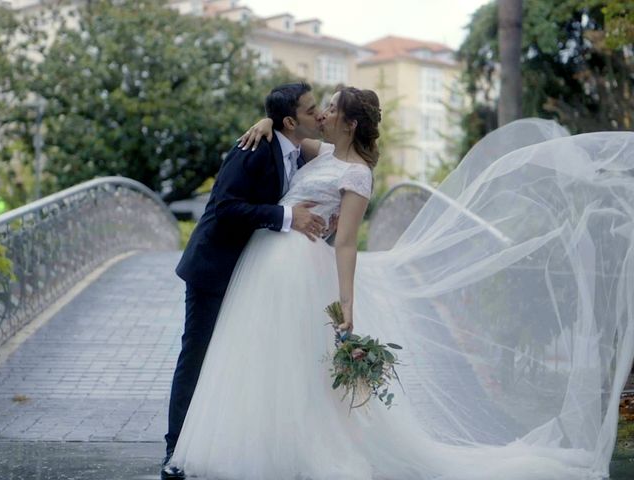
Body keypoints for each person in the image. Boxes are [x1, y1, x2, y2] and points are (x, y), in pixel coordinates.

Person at [171, 87, 634, 479]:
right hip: (265, 265)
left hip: (297, 269)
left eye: (331, 108)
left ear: (350, 124)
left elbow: (347, 243)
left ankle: (296, 450)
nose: (323, 113)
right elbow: (287, 134)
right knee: (260, 361)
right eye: (319, 108)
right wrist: (266, 121)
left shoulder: (356, 173)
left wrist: (345, 303)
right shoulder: (320, 150)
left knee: (295, 363)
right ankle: (252, 442)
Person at [162, 82, 328, 480]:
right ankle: (175, 452)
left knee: (236, 361)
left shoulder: (299, 151)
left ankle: (221, 443)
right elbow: (225, 206)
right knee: (198, 356)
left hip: (253, 276)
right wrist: (289, 218)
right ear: (290, 120)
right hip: (215, 268)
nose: (319, 114)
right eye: (311, 109)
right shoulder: (251, 148)